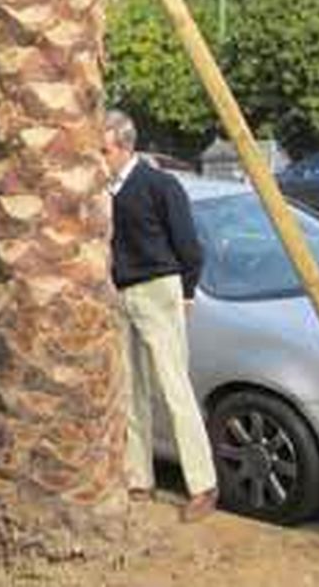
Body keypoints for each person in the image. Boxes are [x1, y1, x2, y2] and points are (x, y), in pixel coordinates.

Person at [102, 109, 217, 522]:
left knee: (174, 389)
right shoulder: (104, 191)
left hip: (157, 289)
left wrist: (186, 292)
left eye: (104, 150)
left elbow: (189, 245)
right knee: (130, 389)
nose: (100, 158)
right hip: (120, 295)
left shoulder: (158, 185)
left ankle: (202, 484)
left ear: (124, 146)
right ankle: (139, 478)